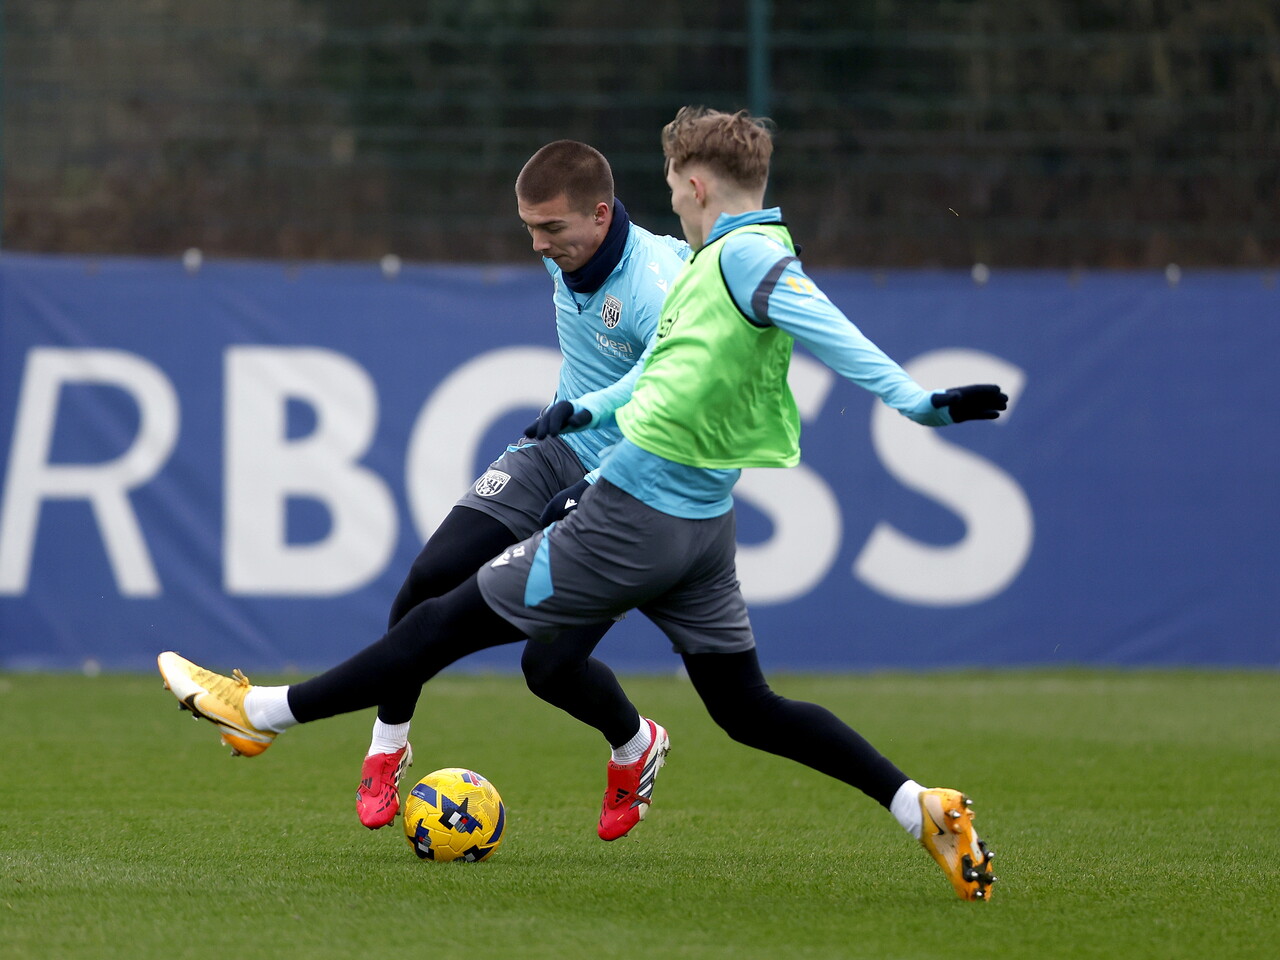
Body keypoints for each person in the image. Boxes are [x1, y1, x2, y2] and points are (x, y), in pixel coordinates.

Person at [158, 107, 1003, 901]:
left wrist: (918, 404)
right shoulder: (734, 257)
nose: (669, 200)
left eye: (674, 186)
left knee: (443, 625)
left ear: (695, 187)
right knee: (746, 709)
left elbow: (813, 328)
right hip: (700, 524)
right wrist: (586, 412)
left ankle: (263, 711)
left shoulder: (722, 261)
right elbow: (665, 372)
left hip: (632, 506)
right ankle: (917, 805)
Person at [348, 140, 688, 829]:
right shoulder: (571, 248)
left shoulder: (661, 290)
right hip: (554, 447)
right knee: (427, 579)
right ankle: (386, 748)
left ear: (600, 215)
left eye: (551, 230)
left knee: (549, 667)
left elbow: (672, 413)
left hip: (639, 484)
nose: (537, 246)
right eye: (528, 228)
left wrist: (600, 482)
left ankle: (635, 743)